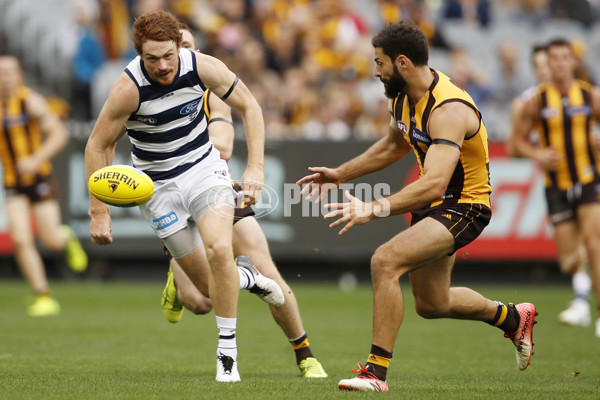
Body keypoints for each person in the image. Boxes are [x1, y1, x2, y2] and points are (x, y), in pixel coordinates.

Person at [296, 22, 537, 392]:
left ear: (403, 62)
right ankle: (511, 317)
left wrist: (372, 208)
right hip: (433, 205)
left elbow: (437, 182)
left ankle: (375, 374)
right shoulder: (401, 97)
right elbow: (394, 146)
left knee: (384, 260)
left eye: (380, 63)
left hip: (464, 206)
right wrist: (340, 174)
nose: (376, 71)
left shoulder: (449, 109)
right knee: (432, 303)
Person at [85, 11, 278, 382]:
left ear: (179, 46)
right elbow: (97, 145)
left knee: (220, 250)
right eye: (151, 58)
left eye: (168, 55)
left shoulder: (202, 66)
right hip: (156, 189)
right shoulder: (127, 89)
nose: (162, 65)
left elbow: (251, 107)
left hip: (204, 171)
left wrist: (255, 167)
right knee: (208, 290)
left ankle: (227, 357)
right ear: (139, 54)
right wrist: (99, 211)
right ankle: (247, 278)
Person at [158, 23, 327, 379]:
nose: (182, 56)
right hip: (174, 200)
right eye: (176, 49)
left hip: (213, 188)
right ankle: (178, 277)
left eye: (189, 47)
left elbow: (224, 145)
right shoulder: (145, 93)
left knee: (268, 271)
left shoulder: (211, 92)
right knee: (202, 302)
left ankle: (305, 354)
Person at [513, 38, 600, 337]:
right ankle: (581, 293)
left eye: (566, 57)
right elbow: (516, 143)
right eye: (555, 58)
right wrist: (538, 154)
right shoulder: (535, 101)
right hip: (556, 186)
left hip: (589, 180)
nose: (561, 63)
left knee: (593, 242)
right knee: (569, 259)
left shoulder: (591, 96)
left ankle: (597, 312)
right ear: (548, 64)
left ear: (574, 61)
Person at [0, 55, 88, 317]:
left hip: (38, 179)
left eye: (9, 73)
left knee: (50, 241)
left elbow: (59, 134)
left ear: (19, 76)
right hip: (12, 182)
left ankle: (66, 238)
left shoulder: (30, 101)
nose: (5, 78)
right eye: (1, 73)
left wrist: (36, 159)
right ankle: (43, 295)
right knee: (21, 239)